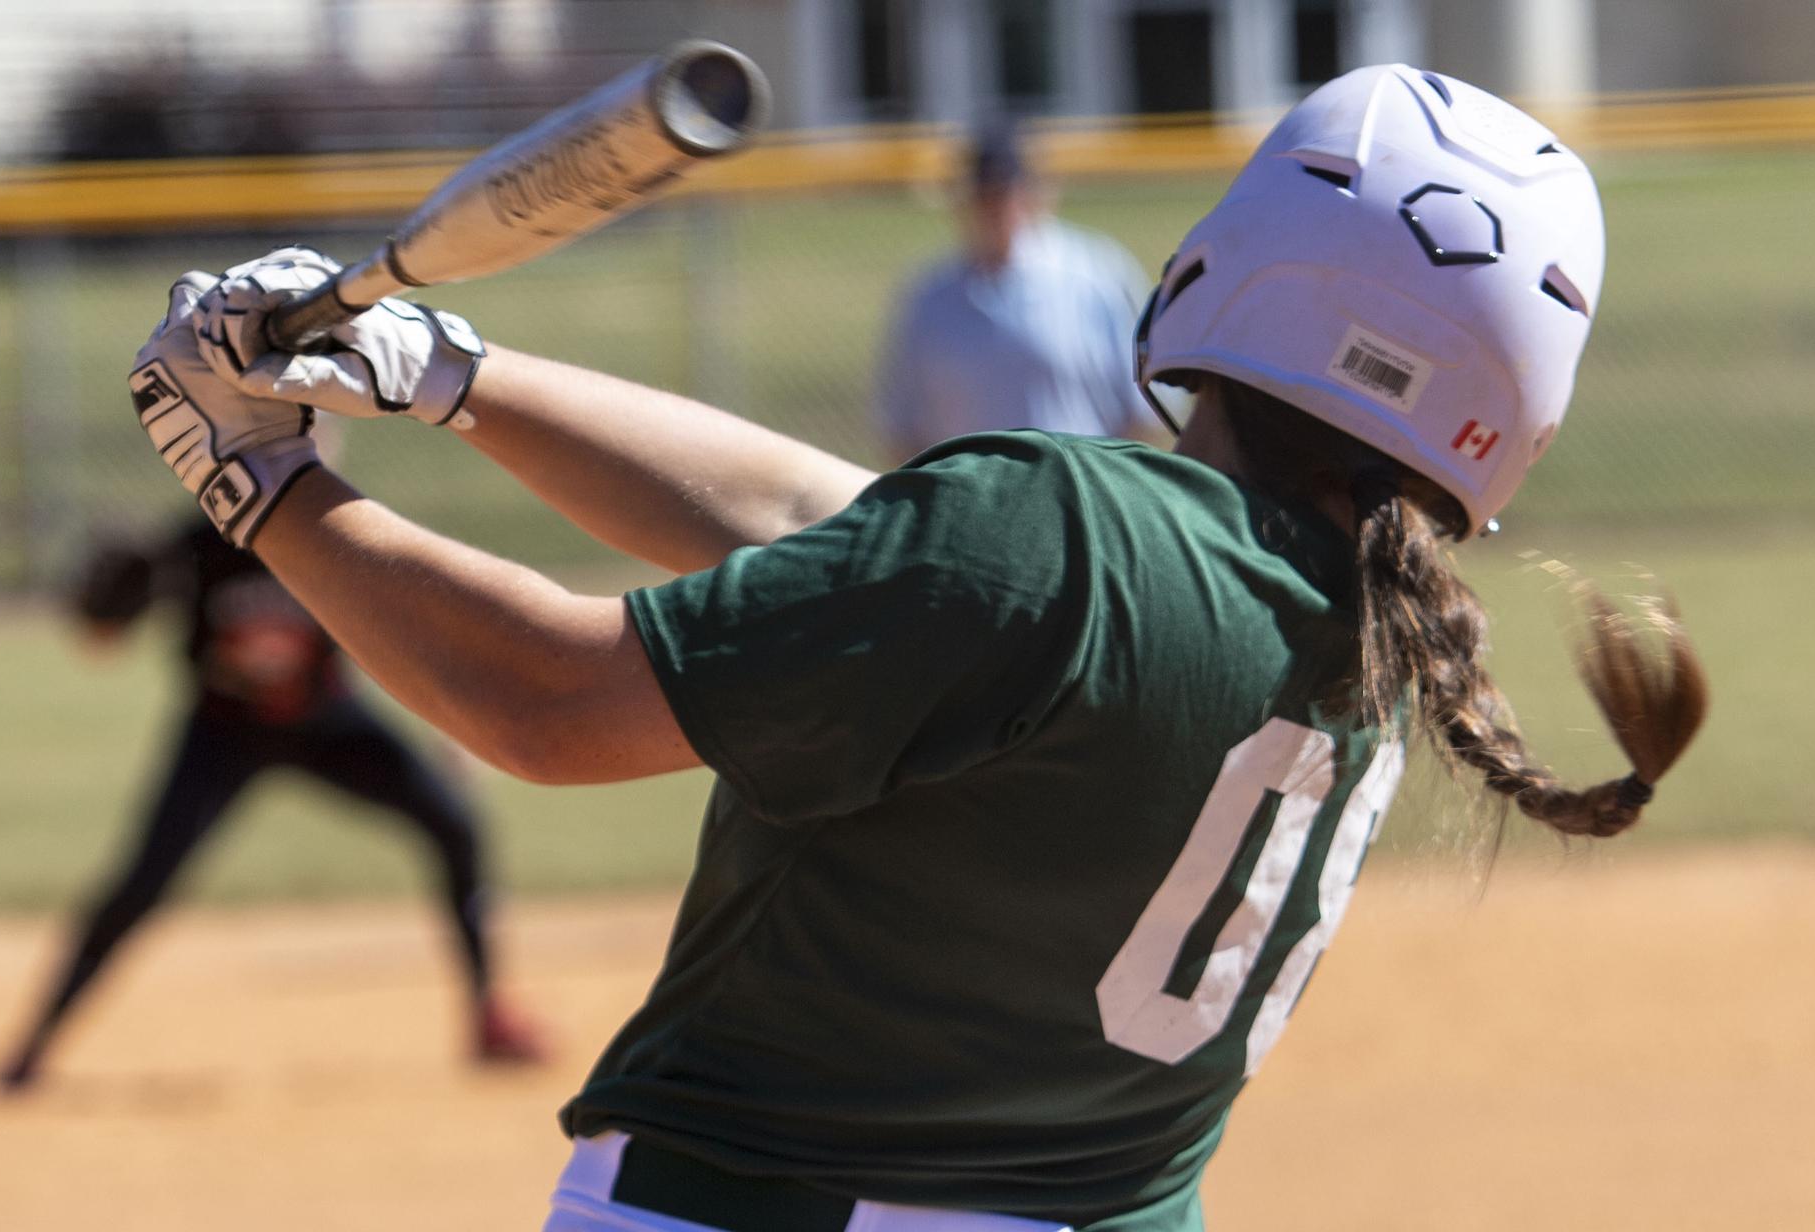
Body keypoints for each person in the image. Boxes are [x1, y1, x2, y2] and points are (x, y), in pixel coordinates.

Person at [119, 64, 1703, 1230]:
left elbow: (548, 702)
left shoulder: (1060, 536)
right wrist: (443, 367)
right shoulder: (1369, 632)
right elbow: (839, 532)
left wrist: (257, 483)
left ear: (1232, 266)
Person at [0, 495, 542, 1095]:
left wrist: (457, 720)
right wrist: (111, 597)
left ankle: (491, 1017)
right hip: (222, 736)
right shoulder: (194, 545)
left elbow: (414, 628)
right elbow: (102, 638)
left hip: (328, 725)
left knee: (453, 823)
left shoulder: (339, 532)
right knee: (141, 882)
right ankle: (33, 1045)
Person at [871, 119, 1167, 461]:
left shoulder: (1096, 274)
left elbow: (1144, 412)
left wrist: (1106, 489)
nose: (998, 207)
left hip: (1079, 496)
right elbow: (901, 431)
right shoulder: (929, 296)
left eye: (1007, 192)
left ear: (1039, 192)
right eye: (985, 194)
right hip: (971, 503)